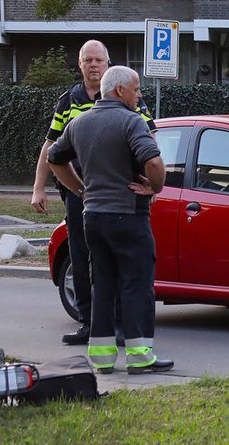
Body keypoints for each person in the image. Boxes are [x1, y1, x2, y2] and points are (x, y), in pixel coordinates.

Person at [46, 66, 173, 375]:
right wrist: (154, 187)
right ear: (120, 91)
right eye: (136, 90)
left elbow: (54, 158)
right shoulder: (131, 122)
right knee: (136, 284)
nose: (139, 95)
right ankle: (140, 355)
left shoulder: (79, 123)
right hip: (129, 217)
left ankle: (102, 358)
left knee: (101, 283)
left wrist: (80, 190)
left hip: (93, 219)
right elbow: (154, 161)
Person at [30, 40, 154, 345]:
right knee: (82, 255)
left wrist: (151, 183)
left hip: (120, 188)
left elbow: (150, 137)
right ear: (80, 64)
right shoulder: (68, 101)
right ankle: (88, 323)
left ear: (109, 64)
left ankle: (122, 324)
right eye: (89, 60)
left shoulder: (128, 96)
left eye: (99, 60)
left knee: (117, 261)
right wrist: (39, 188)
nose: (94, 65)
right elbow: (51, 147)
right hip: (81, 190)